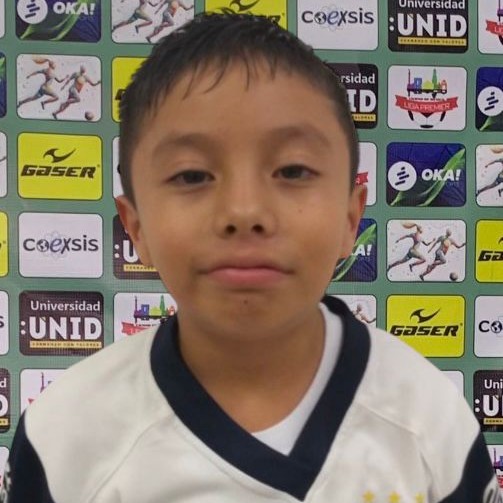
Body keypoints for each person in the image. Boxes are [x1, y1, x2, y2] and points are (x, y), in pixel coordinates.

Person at [1, 13, 498, 503]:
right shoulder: (66, 438)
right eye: (192, 175)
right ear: (136, 228)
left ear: (351, 218)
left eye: (293, 170)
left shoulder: (429, 421)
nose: (244, 212)